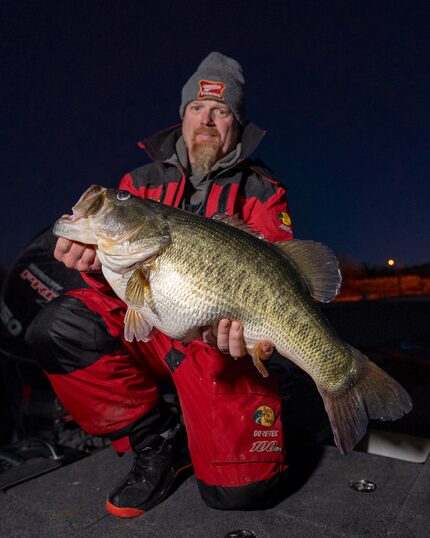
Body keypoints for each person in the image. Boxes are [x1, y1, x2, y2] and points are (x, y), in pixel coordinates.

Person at [26, 52, 294, 517]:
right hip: (150, 329)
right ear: (183, 114)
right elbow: (119, 269)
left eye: (221, 110)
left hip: (217, 345)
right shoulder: (138, 182)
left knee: (240, 495)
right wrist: (91, 260)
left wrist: (256, 336)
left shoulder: (262, 190)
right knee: (59, 326)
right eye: (197, 107)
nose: (206, 120)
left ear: (237, 121)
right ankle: (160, 437)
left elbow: (276, 281)